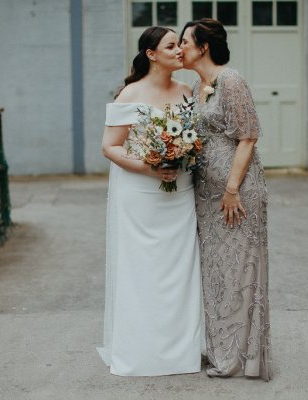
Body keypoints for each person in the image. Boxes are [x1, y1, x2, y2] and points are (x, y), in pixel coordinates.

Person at [97, 26, 203, 377]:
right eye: (171, 46)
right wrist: (148, 167)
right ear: (151, 54)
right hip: (141, 198)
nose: (179, 51)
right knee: (141, 275)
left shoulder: (188, 92)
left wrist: (183, 158)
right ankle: (140, 353)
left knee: (179, 275)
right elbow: (110, 147)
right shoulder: (130, 94)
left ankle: (180, 354)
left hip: (179, 196)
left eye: (179, 45)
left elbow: (193, 140)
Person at [180, 18, 272, 381]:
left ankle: (241, 358)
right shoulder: (195, 85)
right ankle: (222, 350)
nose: (180, 48)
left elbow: (248, 137)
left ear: (203, 47)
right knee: (217, 273)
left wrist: (232, 189)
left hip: (238, 192)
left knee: (241, 270)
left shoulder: (231, 80)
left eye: (185, 41)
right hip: (206, 195)